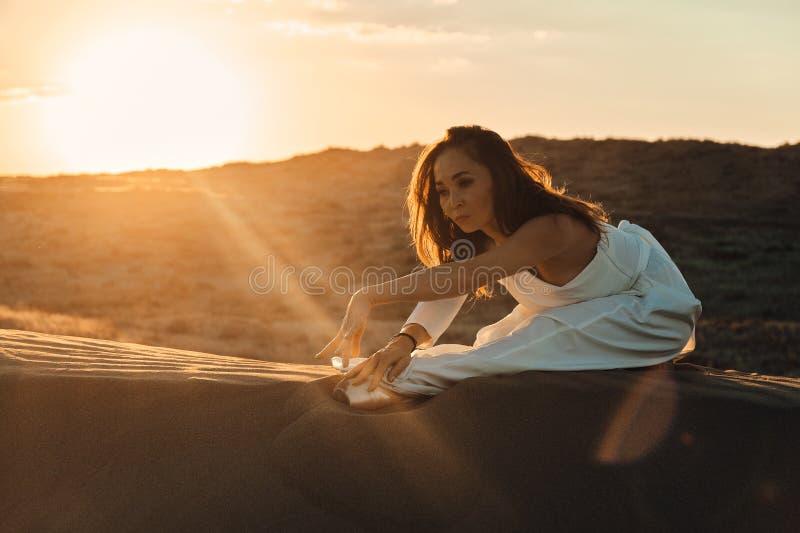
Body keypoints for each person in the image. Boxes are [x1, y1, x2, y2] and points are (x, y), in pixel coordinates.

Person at [313, 125, 702, 410]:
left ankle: (390, 384)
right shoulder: (484, 235)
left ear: (499, 178)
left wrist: (369, 294)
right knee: (493, 342)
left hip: (645, 311)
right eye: (443, 191)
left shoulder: (550, 227)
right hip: (576, 313)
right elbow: (449, 290)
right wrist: (403, 341)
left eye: (464, 183)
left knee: (505, 355)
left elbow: (466, 277)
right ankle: (388, 372)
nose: (452, 202)